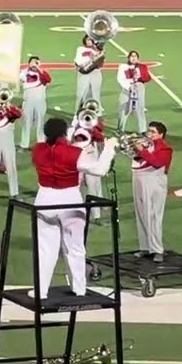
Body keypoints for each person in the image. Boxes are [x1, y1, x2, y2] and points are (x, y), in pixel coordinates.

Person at [30, 117, 117, 298]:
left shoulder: (37, 150)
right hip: (70, 197)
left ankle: (41, 291)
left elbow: (52, 149)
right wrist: (108, 148)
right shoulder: (74, 152)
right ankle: (79, 288)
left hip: (44, 199)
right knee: (75, 247)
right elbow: (100, 170)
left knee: (46, 248)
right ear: (64, 132)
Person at [131, 122, 173, 263]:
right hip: (139, 179)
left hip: (154, 182)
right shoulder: (144, 144)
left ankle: (157, 249)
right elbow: (136, 159)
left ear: (161, 135)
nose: (149, 134)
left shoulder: (166, 148)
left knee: (154, 215)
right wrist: (134, 148)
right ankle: (145, 247)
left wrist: (141, 150)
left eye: (153, 132)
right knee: (141, 213)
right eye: (149, 131)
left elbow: (156, 162)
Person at [18, 56, 52, 149]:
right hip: (28, 101)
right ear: (29, 63)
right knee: (26, 122)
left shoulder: (42, 72)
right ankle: (24, 144)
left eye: (37, 62)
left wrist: (39, 70)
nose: (35, 64)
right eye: (33, 62)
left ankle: (41, 142)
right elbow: (22, 79)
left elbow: (48, 80)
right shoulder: (24, 72)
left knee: (40, 121)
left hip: (40, 101)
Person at [116, 51, 151, 133]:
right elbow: (120, 79)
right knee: (123, 109)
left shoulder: (142, 67)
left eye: (135, 56)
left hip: (139, 88)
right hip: (126, 89)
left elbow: (147, 78)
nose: (133, 58)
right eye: (131, 56)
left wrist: (140, 75)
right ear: (128, 58)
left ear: (138, 58)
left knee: (140, 109)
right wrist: (129, 86)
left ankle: (142, 130)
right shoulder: (123, 67)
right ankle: (120, 129)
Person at [73, 36, 104, 109]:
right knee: (80, 93)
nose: (89, 41)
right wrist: (89, 62)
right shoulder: (80, 49)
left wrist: (100, 55)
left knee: (96, 93)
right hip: (84, 72)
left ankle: (97, 112)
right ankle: (77, 111)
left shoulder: (98, 50)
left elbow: (101, 63)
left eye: (91, 40)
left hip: (95, 72)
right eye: (88, 40)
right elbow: (78, 60)